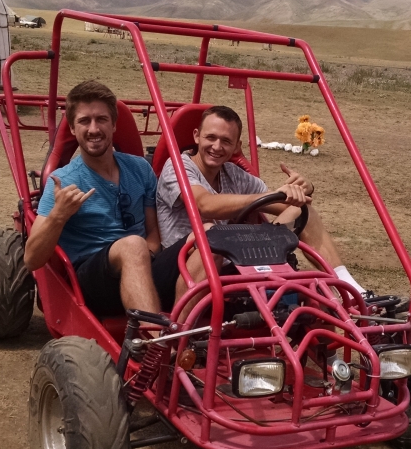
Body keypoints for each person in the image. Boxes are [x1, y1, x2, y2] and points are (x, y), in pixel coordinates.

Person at [155, 105, 368, 299]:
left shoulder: (233, 174)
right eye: (211, 137)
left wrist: (302, 190)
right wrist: (266, 197)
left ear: (236, 145)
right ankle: (185, 329)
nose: (217, 147)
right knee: (210, 234)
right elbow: (205, 205)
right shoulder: (177, 166)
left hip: (232, 262)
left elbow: (285, 205)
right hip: (182, 267)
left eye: (226, 141)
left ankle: (351, 289)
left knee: (304, 213)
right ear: (197, 136)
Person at [24, 80, 188, 315]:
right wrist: (58, 216)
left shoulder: (140, 168)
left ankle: (183, 331)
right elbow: (31, 260)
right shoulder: (63, 182)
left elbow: (154, 233)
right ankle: (154, 343)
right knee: (132, 245)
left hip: (143, 266)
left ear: (113, 125)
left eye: (101, 119)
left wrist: (145, 257)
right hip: (93, 280)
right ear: (72, 128)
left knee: (206, 236)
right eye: (84, 121)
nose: (93, 129)